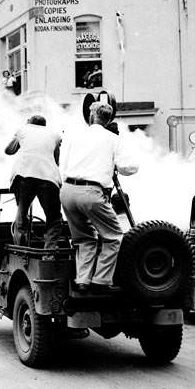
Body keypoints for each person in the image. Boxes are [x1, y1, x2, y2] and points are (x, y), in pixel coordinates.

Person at [59, 102, 138, 292]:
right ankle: (101, 281)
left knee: (84, 239)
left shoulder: (73, 135)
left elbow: (64, 164)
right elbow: (127, 167)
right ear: (109, 119)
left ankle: (82, 280)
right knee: (113, 237)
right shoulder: (112, 139)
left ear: (91, 115)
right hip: (91, 193)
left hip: (68, 191)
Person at [4, 115, 63, 248]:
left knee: (21, 217)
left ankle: (21, 251)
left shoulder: (23, 129)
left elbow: (8, 151)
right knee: (54, 219)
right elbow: (56, 161)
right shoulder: (54, 135)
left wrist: (20, 139)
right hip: (48, 178)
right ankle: (49, 253)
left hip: (24, 177)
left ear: (29, 123)